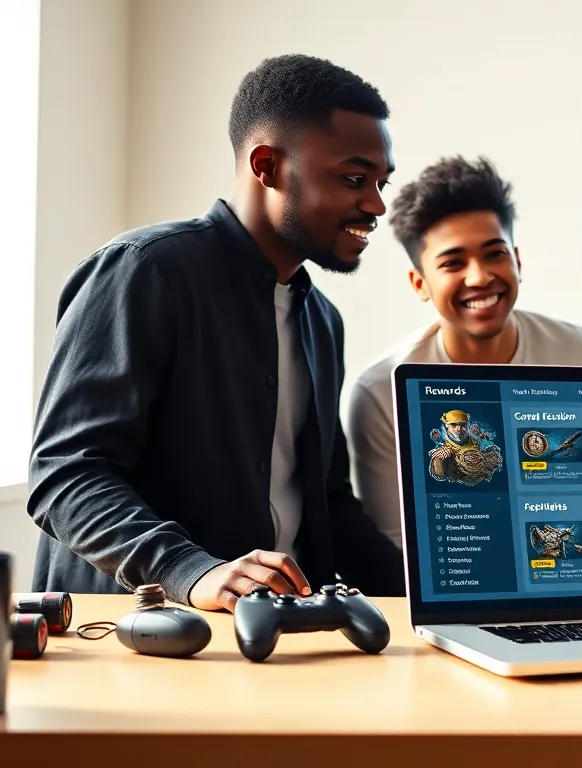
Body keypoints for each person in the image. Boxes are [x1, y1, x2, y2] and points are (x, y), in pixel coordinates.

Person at [26, 54, 405, 612]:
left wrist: (446, 592)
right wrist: (191, 571)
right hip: (135, 637)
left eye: (380, 182)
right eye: (354, 179)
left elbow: (328, 503)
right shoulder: (144, 270)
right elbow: (65, 475)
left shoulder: (322, 320)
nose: (375, 205)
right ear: (267, 166)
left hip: (284, 638)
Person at [346, 155, 582, 549]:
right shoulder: (380, 391)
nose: (479, 276)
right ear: (419, 283)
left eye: (495, 253)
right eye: (453, 263)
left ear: (518, 261)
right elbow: (399, 543)